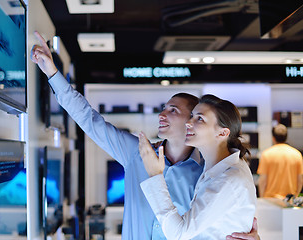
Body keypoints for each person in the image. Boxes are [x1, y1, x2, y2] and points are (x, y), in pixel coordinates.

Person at [31, 31, 260, 240]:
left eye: (174, 110)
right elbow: (89, 120)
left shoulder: (206, 174)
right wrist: (52, 73)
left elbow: (217, 227)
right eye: (164, 107)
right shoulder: (136, 152)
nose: (162, 114)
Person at [139, 94, 257, 239]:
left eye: (199, 118)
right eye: (192, 116)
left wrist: (155, 175)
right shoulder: (216, 167)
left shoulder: (228, 179)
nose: (188, 123)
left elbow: (179, 233)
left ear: (222, 133)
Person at [257, 123, 303, 199]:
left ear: (273, 138)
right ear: (286, 137)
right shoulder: (297, 155)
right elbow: (300, 181)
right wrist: (295, 196)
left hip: (271, 200)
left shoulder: (267, 154)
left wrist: (263, 198)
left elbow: (262, 181)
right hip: (289, 200)